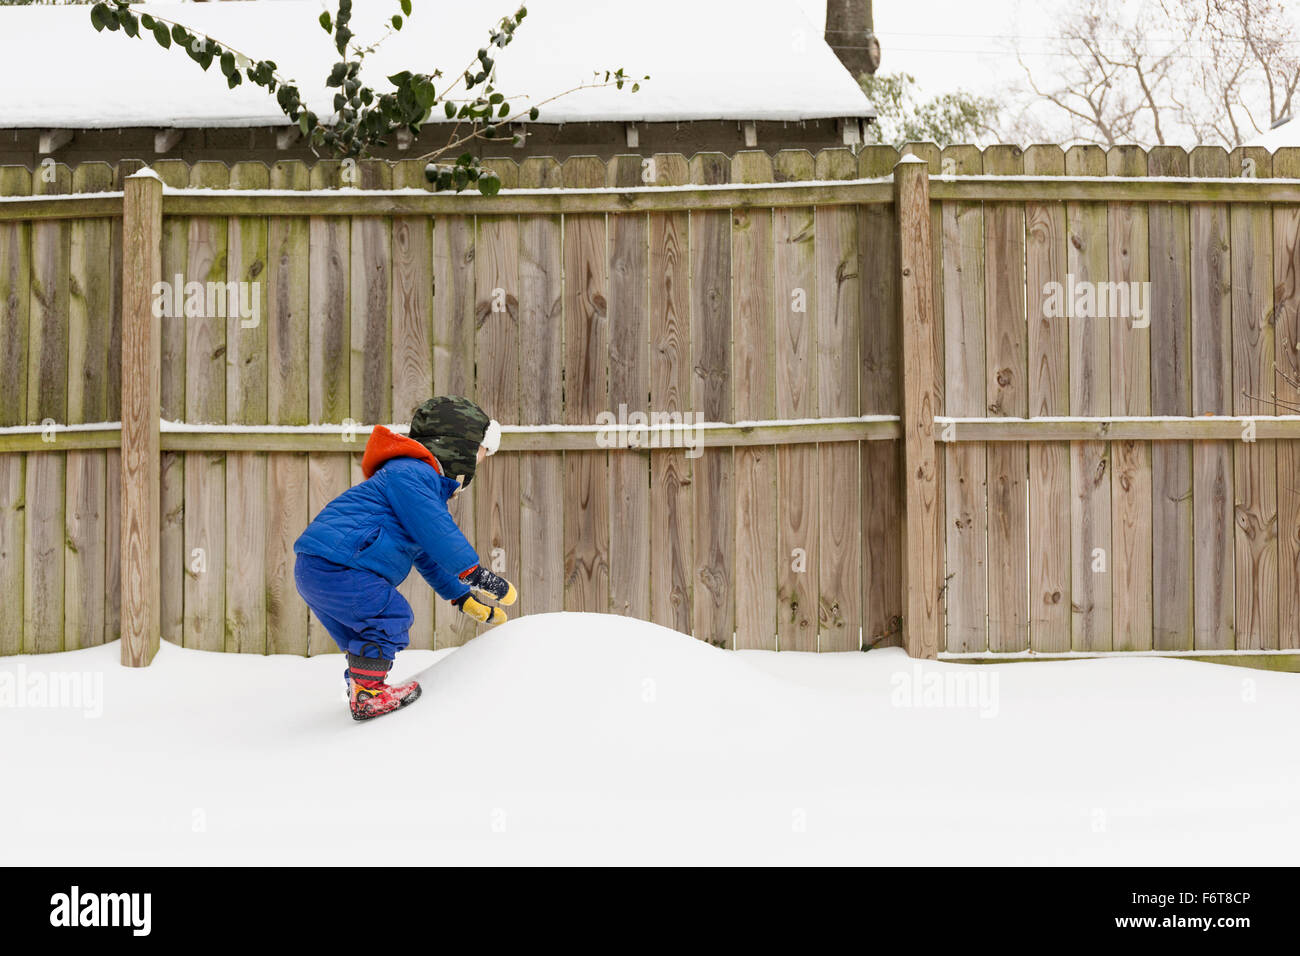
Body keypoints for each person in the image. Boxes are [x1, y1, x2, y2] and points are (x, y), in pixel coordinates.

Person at [293, 396, 517, 721]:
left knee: (366, 634)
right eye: (479, 454)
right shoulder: (412, 474)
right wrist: (474, 573)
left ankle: (362, 686)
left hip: (320, 567)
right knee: (391, 617)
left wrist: (461, 596)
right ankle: (369, 695)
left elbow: (425, 553)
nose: (478, 464)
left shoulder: (408, 478)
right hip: (341, 565)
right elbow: (437, 531)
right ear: (457, 449)